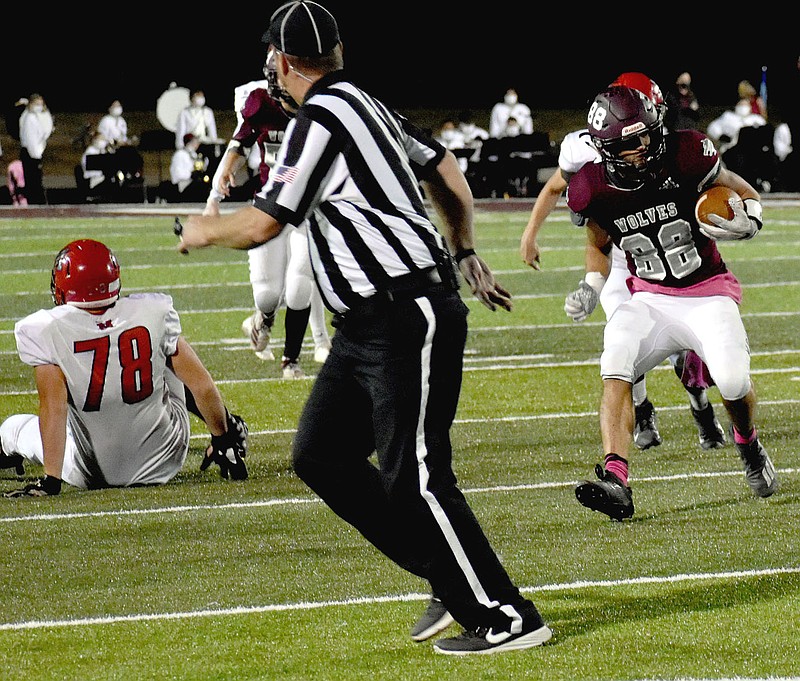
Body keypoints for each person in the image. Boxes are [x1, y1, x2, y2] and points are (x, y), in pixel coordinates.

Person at [175, 0, 551, 655]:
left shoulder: (319, 117)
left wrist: (205, 228)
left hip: (404, 311)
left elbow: (267, 221)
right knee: (319, 454)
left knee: (418, 475)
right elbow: (447, 172)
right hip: (366, 325)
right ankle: (449, 574)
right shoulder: (370, 105)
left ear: (285, 61)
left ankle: (508, 614)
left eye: (272, 57)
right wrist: (462, 248)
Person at [563, 85, 778, 521]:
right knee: (616, 359)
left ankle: (747, 443)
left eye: (647, 135)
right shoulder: (592, 187)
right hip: (650, 298)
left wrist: (750, 216)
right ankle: (616, 478)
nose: (643, 146)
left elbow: (740, 188)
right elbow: (599, 244)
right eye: (630, 142)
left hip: (707, 291)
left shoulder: (686, 154)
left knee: (734, 383)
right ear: (605, 148)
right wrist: (590, 283)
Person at [520, 72, 726, 452]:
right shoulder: (581, 149)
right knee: (623, 343)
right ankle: (643, 411)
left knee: (687, 348)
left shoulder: (675, 149)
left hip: (669, 258)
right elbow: (556, 188)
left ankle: (700, 405)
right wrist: (531, 235)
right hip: (620, 259)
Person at [0, 239, 248, 496]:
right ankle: (228, 428)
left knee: (15, 428)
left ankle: (4, 447)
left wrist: (50, 482)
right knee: (164, 351)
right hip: (164, 459)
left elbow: (53, 407)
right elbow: (202, 386)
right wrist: (222, 439)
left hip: (92, 472)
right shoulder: (151, 312)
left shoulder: (46, 328)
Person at [203, 78, 331, 375]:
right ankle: (264, 319)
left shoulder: (320, 105)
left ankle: (292, 360)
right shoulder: (260, 103)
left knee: (300, 283)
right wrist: (216, 192)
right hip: (269, 205)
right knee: (268, 295)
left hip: (307, 206)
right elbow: (239, 143)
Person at [18, 93, 54, 205]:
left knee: (35, 181)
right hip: (31, 152)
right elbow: (31, 138)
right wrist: (36, 155)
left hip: (34, 152)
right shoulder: (29, 118)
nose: (39, 106)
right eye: (36, 104)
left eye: (41, 104)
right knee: (33, 181)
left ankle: (36, 203)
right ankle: (36, 204)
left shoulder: (34, 117)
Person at [168, 134, 210, 202]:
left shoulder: (194, 154)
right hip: (183, 185)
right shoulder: (180, 154)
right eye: (196, 142)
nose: (197, 144)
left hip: (193, 183)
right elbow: (177, 173)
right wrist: (191, 175)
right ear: (190, 142)